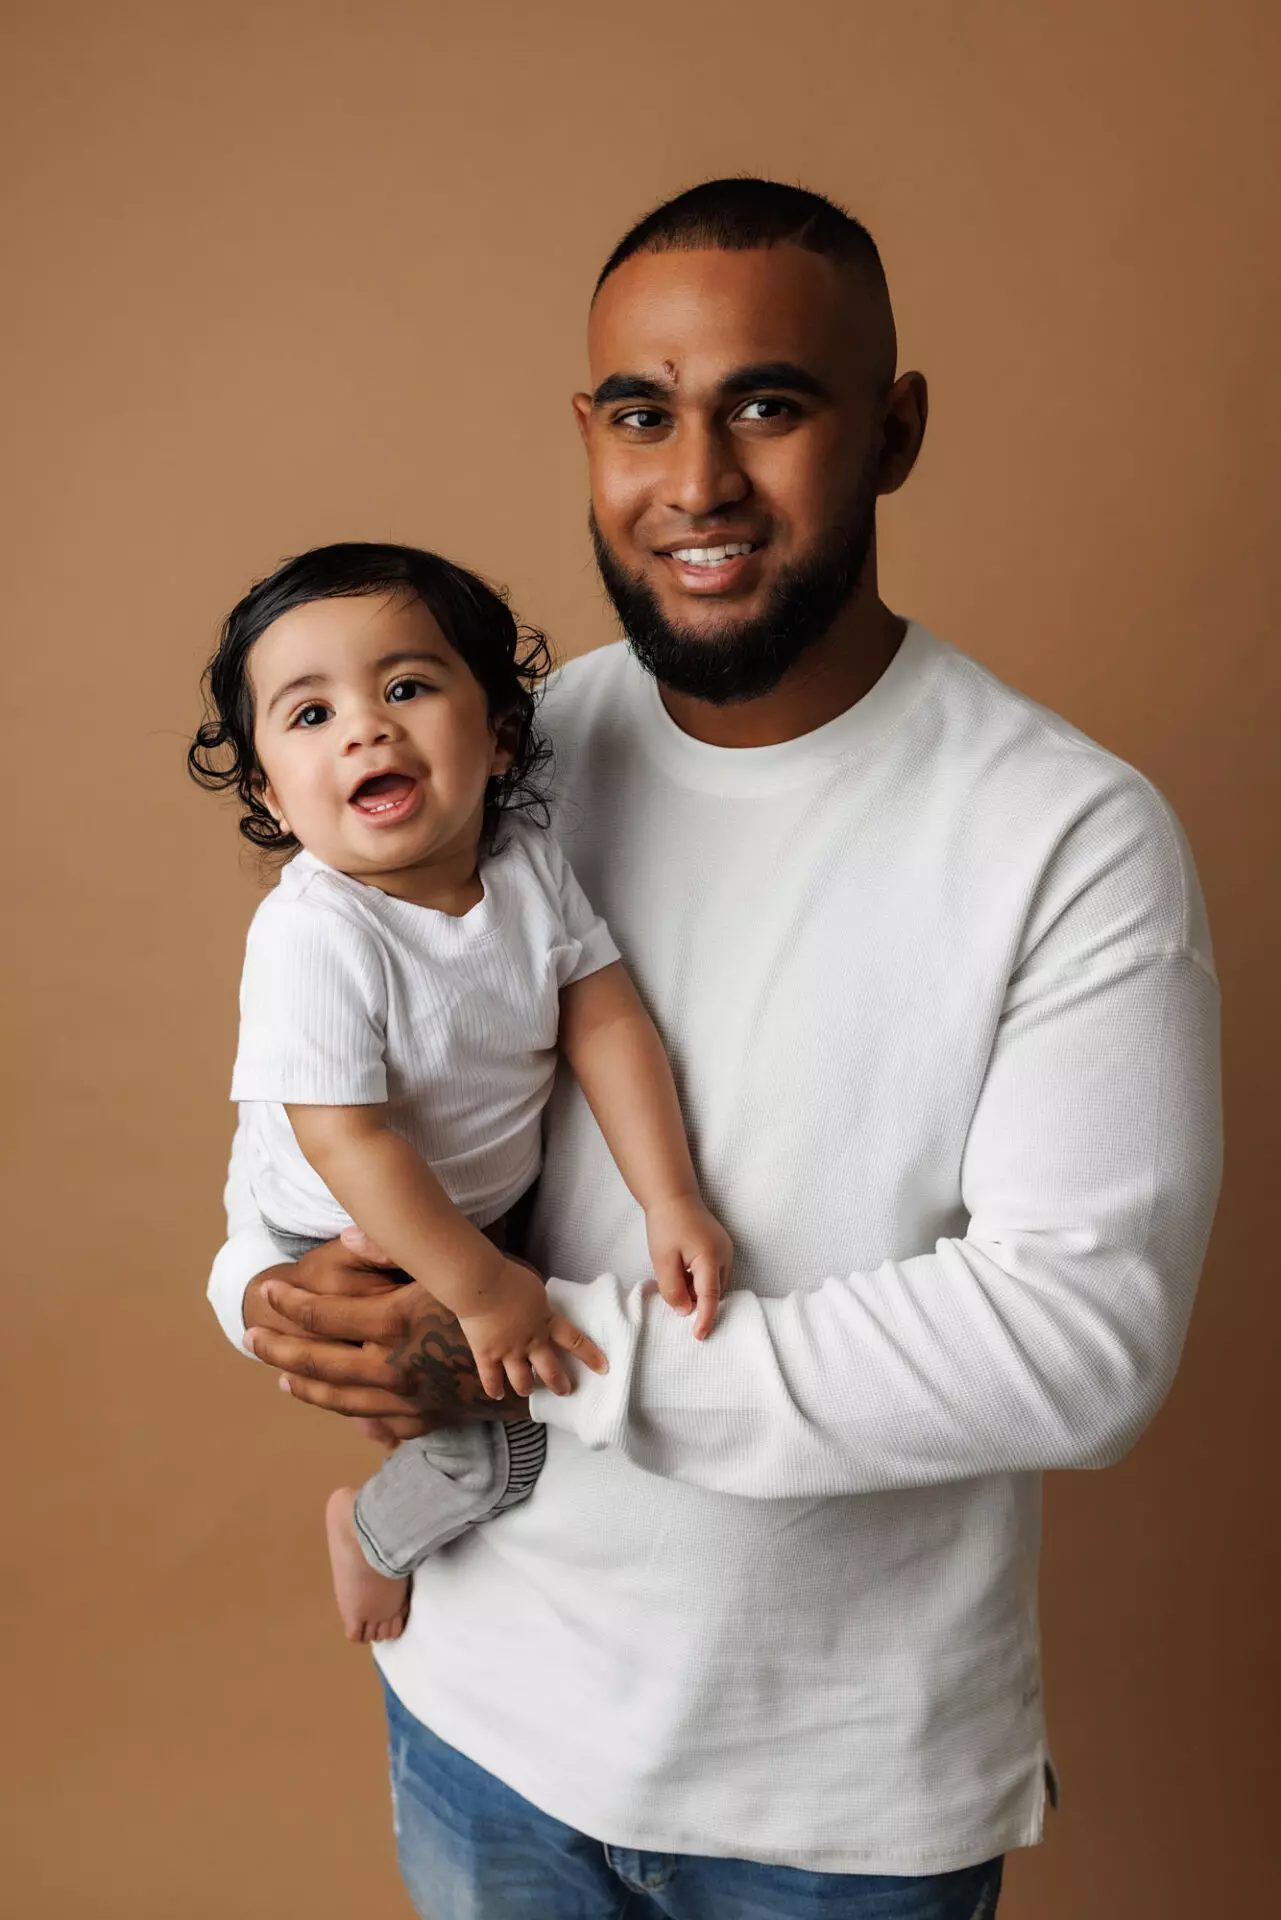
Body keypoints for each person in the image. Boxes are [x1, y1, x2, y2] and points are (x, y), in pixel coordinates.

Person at [207, 180, 1222, 1920]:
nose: (695, 483)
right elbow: (327, 1101)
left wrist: (538, 1346)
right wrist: (268, 1292)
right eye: (638, 412)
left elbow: (1080, 1345)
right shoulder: (504, 747)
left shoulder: (1068, 834)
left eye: (770, 403)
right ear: (585, 435)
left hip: (835, 1805)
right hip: (479, 1714)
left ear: (893, 431)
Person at [191, 541, 729, 1643]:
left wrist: (669, 1198)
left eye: (406, 687)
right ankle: (374, 1532)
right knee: (503, 1433)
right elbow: (350, 1141)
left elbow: (606, 1017)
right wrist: (483, 1290)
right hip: (347, 1227)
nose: (365, 729)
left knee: (525, 1375)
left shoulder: (525, 858)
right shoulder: (317, 933)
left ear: (498, 736)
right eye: (309, 715)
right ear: (269, 793)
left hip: (476, 1201)